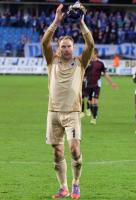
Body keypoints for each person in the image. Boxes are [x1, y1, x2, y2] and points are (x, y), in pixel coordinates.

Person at [42, 4, 94, 199]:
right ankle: (63, 187)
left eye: (69, 46)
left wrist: (81, 23)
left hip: (72, 112)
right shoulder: (51, 61)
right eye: (62, 46)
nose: (65, 49)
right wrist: (56, 21)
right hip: (53, 112)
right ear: (58, 48)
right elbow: (44, 42)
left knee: (74, 149)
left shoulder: (81, 62)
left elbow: (91, 45)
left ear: (73, 48)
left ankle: (76, 182)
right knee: (57, 152)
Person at [85, 48, 118, 124]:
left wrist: (111, 83)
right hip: (88, 84)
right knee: (90, 102)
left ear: (96, 54)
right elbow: (83, 74)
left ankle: (94, 118)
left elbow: (105, 74)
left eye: (91, 53)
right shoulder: (87, 63)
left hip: (97, 84)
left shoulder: (100, 63)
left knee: (94, 102)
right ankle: (92, 113)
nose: (90, 54)